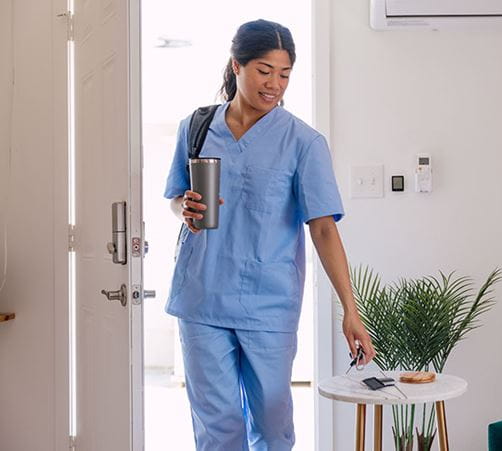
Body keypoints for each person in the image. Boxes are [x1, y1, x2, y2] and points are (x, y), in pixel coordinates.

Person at [163, 19, 376, 451]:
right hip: (201, 298)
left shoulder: (303, 142)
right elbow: (174, 198)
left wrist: (349, 310)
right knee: (217, 428)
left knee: (273, 427)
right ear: (237, 65)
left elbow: (323, 229)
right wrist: (182, 206)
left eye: (284, 74)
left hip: (268, 305)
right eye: (264, 70)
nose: (274, 84)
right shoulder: (197, 127)